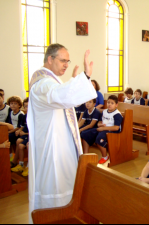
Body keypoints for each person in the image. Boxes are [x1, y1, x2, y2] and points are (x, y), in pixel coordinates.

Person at [27, 43, 97, 223]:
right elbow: (57, 95)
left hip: (59, 143)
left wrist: (74, 83)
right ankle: (56, 217)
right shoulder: (42, 83)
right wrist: (85, 77)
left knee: (66, 180)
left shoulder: (49, 81)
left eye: (68, 61)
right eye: (63, 60)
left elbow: (62, 98)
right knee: (57, 183)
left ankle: (67, 213)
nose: (66, 64)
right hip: (53, 146)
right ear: (50, 59)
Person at [94, 95, 123, 164]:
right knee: (88, 133)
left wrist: (103, 128)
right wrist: (99, 124)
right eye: (108, 102)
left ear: (116, 105)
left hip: (113, 131)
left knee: (100, 139)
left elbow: (116, 127)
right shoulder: (104, 112)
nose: (109, 104)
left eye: (112, 103)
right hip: (104, 129)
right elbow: (100, 121)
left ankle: (105, 157)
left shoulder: (117, 114)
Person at [11, 98, 29, 174]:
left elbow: (35, 131)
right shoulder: (25, 116)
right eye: (25, 106)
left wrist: (24, 133)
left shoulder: (36, 117)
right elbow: (23, 127)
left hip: (30, 136)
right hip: (26, 135)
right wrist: (20, 131)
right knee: (19, 143)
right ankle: (21, 164)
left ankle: (29, 166)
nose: (27, 108)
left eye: (28, 106)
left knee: (28, 145)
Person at [7, 96, 24, 162]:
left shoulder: (21, 114)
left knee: (8, 137)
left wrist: (10, 132)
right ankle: (10, 155)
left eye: (15, 103)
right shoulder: (11, 112)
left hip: (17, 131)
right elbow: (9, 123)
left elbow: (19, 127)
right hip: (11, 130)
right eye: (11, 103)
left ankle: (12, 156)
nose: (13, 105)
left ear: (19, 105)